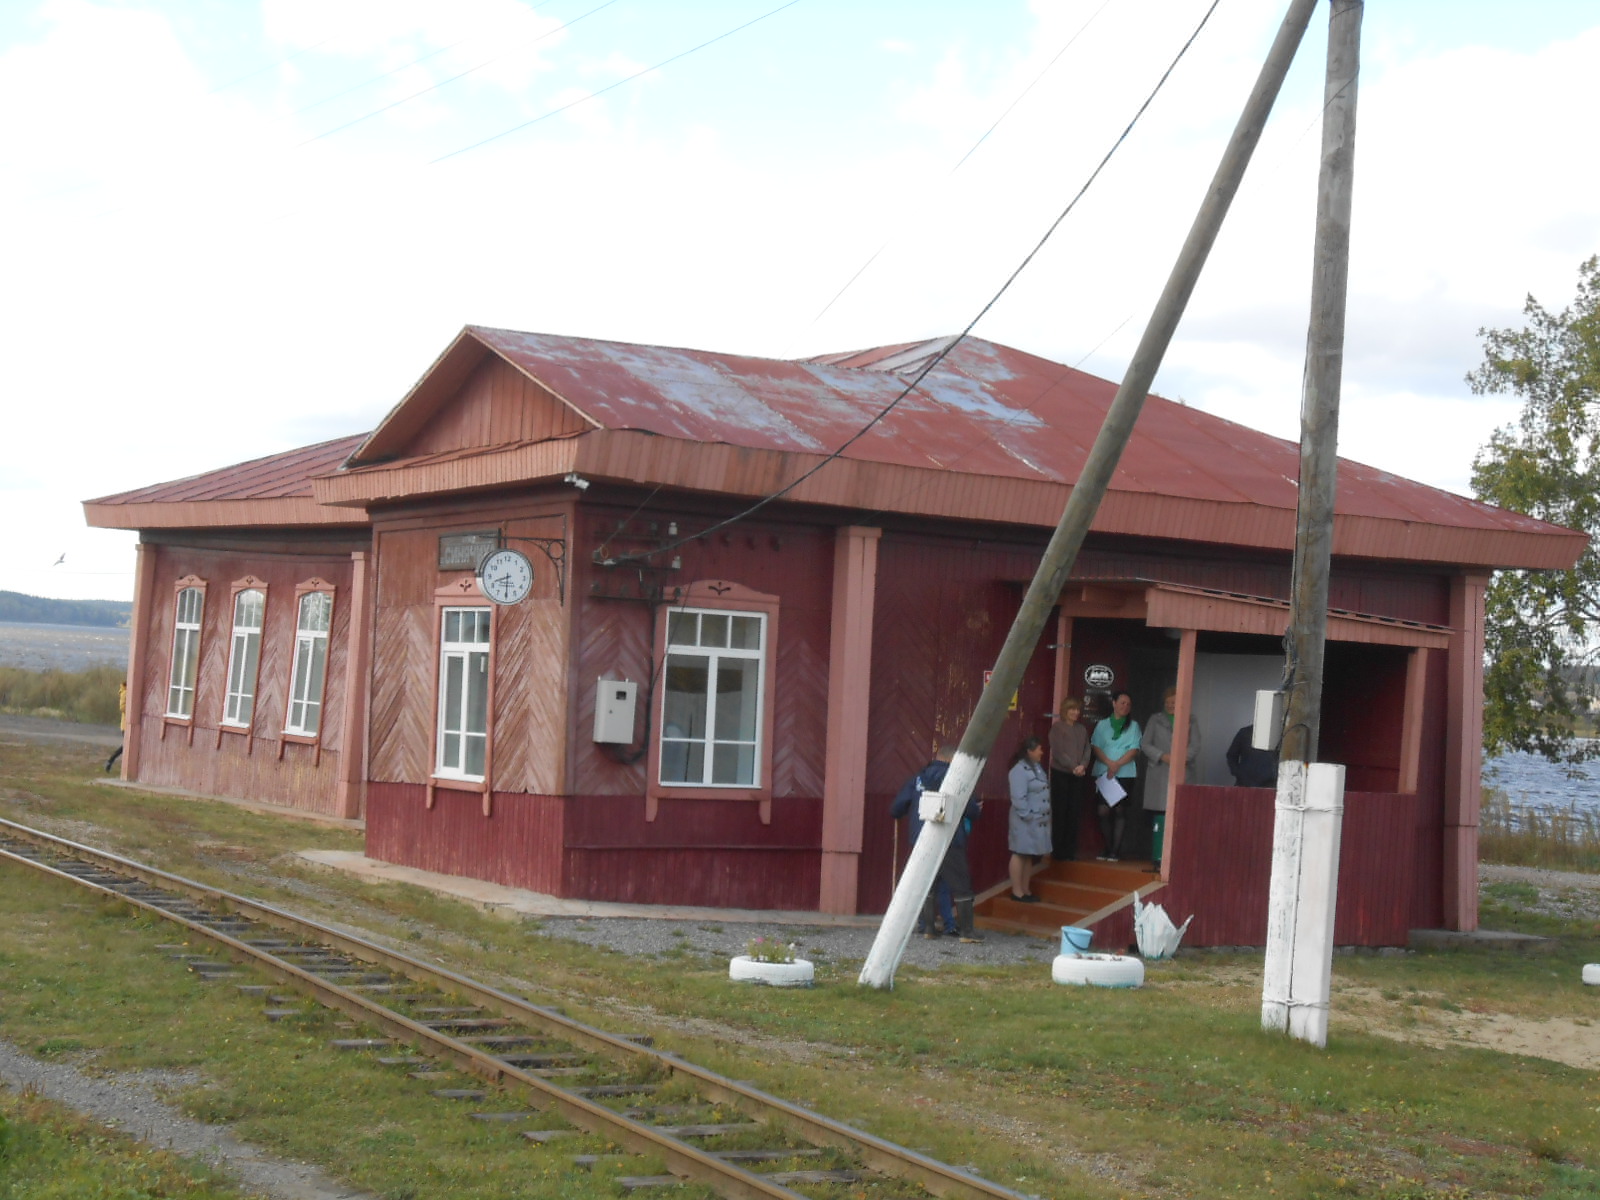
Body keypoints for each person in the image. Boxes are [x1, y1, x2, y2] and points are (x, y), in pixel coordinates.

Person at [890, 744, 983, 940]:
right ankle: (967, 932)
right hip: (950, 840)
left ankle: (928, 929)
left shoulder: (918, 779)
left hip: (921, 839)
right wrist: (976, 810)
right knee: (961, 885)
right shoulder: (956, 779)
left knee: (927, 884)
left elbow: (896, 808)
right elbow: (971, 810)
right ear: (953, 760)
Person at [1141, 685, 1199, 872]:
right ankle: (1158, 859)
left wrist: (1179, 759)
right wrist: (1162, 756)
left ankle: (1176, 858)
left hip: (1182, 772)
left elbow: (1195, 746)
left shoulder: (1191, 719)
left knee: (1180, 817)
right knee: (1161, 817)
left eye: (1174, 702)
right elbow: (1145, 744)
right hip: (1159, 774)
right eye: (1167, 702)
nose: (1170, 705)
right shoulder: (1155, 719)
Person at [1089, 690, 1141, 860]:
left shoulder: (1133, 726)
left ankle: (1115, 851)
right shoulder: (1102, 725)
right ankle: (1108, 846)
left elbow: (1134, 749)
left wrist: (1117, 764)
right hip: (1104, 772)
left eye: (1128, 704)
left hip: (1125, 772)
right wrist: (1109, 763)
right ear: (1114, 703)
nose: (1125, 706)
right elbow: (1095, 746)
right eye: (1122, 703)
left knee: (1120, 811)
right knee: (1103, 811)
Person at [1006, 736, 1051, 902]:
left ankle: (1026, 889)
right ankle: (1017, 891)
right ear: (1029, 751)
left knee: (1028, 854)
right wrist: (1028, 815)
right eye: (1039, 749)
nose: (1042, 752)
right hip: (1024, 820)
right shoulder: (1018, 771)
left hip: (1036, 819)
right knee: (1019, 853)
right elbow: (1018, 798)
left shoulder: (1037, 767)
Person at [1048, 697, 1091, 861]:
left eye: (1077, 710)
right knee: (1060, 812)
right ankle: (1057, 850)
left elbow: (1087, 749)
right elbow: (1058, 752)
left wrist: (1083, 765)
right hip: (1061, 774)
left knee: (1074, 812)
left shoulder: (1082, 729)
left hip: (1078, 775)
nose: (1075, 713)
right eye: (1072, 709)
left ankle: (1070, 850)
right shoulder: (1057, 728)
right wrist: (1073, 766)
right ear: (1065, 710)